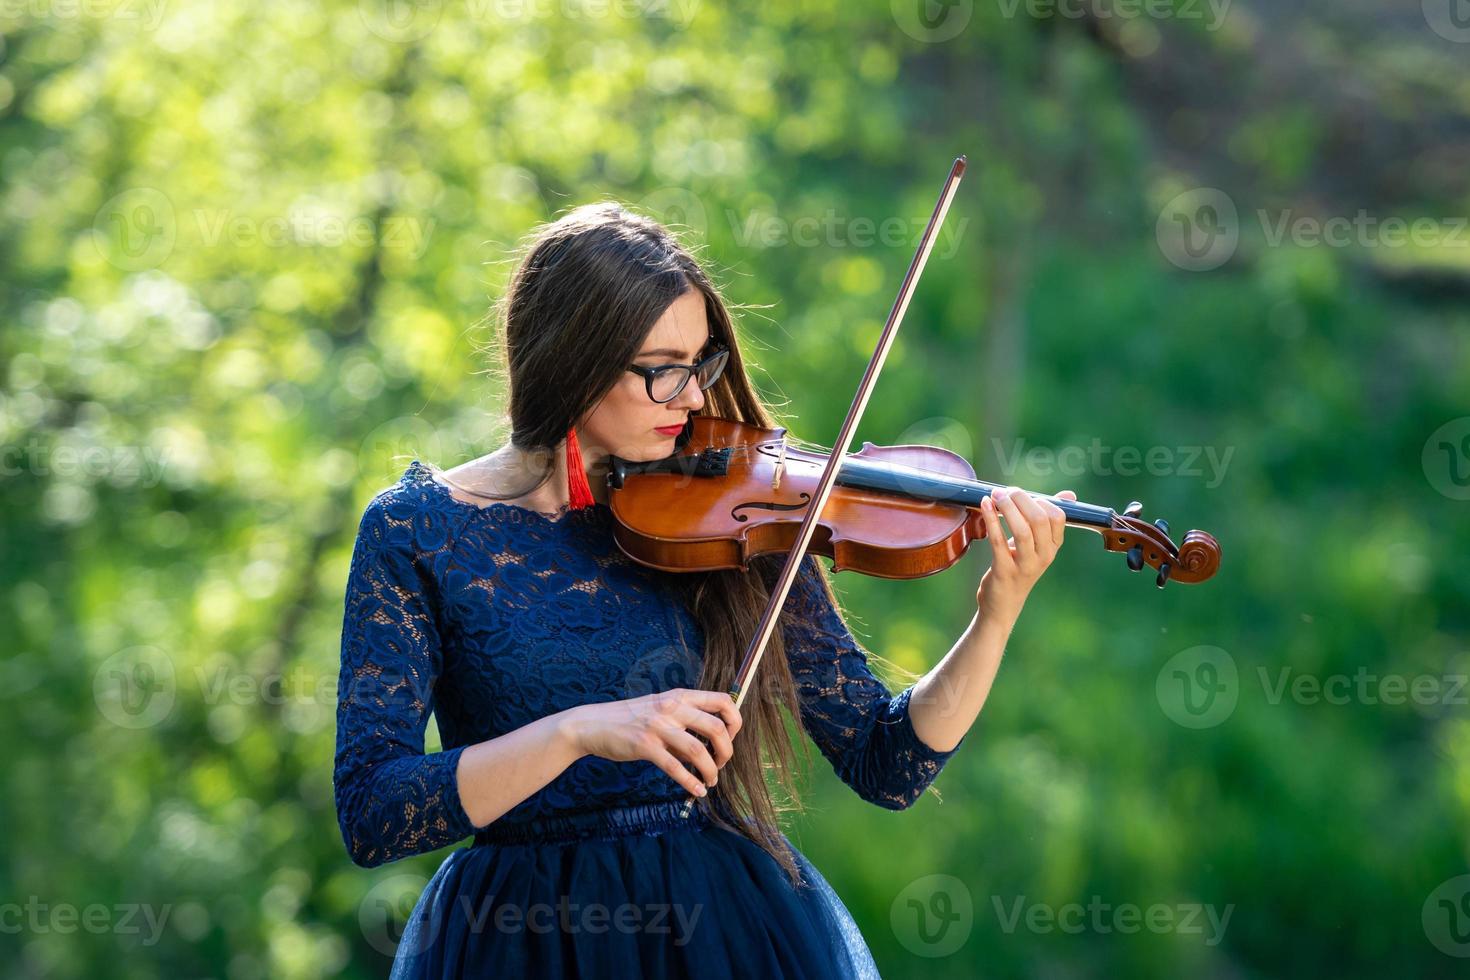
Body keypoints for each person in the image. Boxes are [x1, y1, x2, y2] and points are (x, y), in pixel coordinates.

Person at [333, 202, 1074, 977]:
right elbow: (375, 812)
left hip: (715, 933)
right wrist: (578, 731)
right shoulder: (416, 532)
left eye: (702, 364)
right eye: (662, 371)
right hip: (517, 942)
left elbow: (887, 763)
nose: (692, 398)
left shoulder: (733, 513)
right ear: (571, 359)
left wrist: (995, 614)